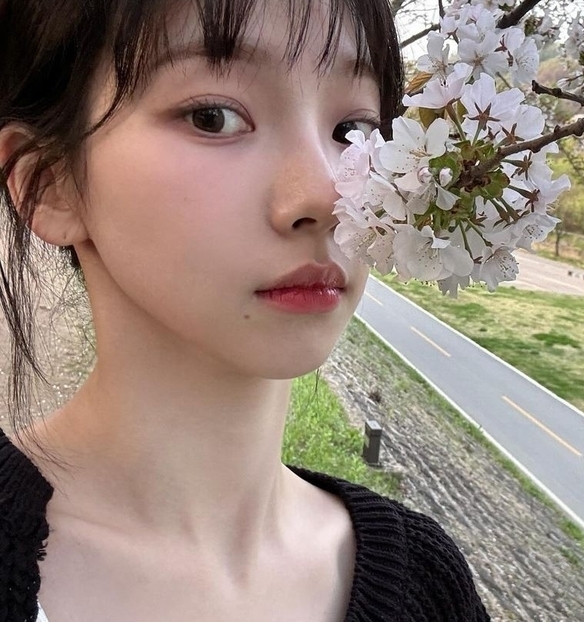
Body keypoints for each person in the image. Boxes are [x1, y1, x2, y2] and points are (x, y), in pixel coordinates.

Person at [0, 2, 489, 621]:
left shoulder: (429, 585)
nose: (326, 196)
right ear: (48, 184)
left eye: (353, 131)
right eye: (214, 117)